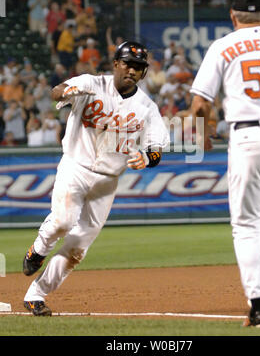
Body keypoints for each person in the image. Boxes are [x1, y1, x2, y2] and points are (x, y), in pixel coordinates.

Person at [22, 40, 170, 316]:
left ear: (144, 73)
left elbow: (156, 148)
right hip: (75, 166)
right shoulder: (91, 84)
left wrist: (148, 158)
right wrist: (67, 89)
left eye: (138, 67)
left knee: (78, 247)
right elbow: (57, 94)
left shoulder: (146, 107)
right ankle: (39, 249)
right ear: (116, 64)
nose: (132, 71)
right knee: (63, 221)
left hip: (107, 182)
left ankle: (36, 294)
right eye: (127, 64)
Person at [190, 0, 260, 328]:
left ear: (233, 17)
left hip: (249, 135)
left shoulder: (223, 45)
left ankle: (257, 307)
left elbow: (200, 103)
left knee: (245, 223)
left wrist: (201, 134)